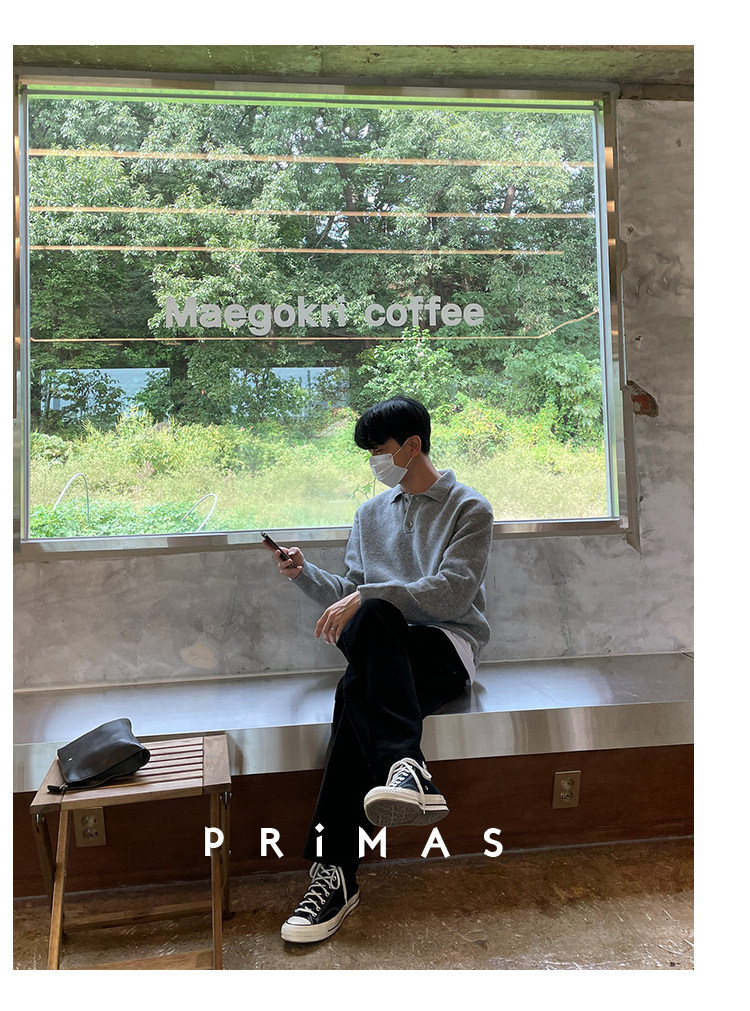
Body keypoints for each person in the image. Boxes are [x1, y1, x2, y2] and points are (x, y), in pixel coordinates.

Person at [264, 395, 494, 944]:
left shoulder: (469, 508)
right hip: (380, 650)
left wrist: (369, 596)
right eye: (368, 452)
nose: (374, 460)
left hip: (443, 646)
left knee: (355, 692)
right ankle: (405, 766)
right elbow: (351, 593)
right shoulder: (370, 515)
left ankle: (335, 872)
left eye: (379, 449)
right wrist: (305, 574)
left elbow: (452, 594)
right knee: (370, 626)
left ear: (413, 445)